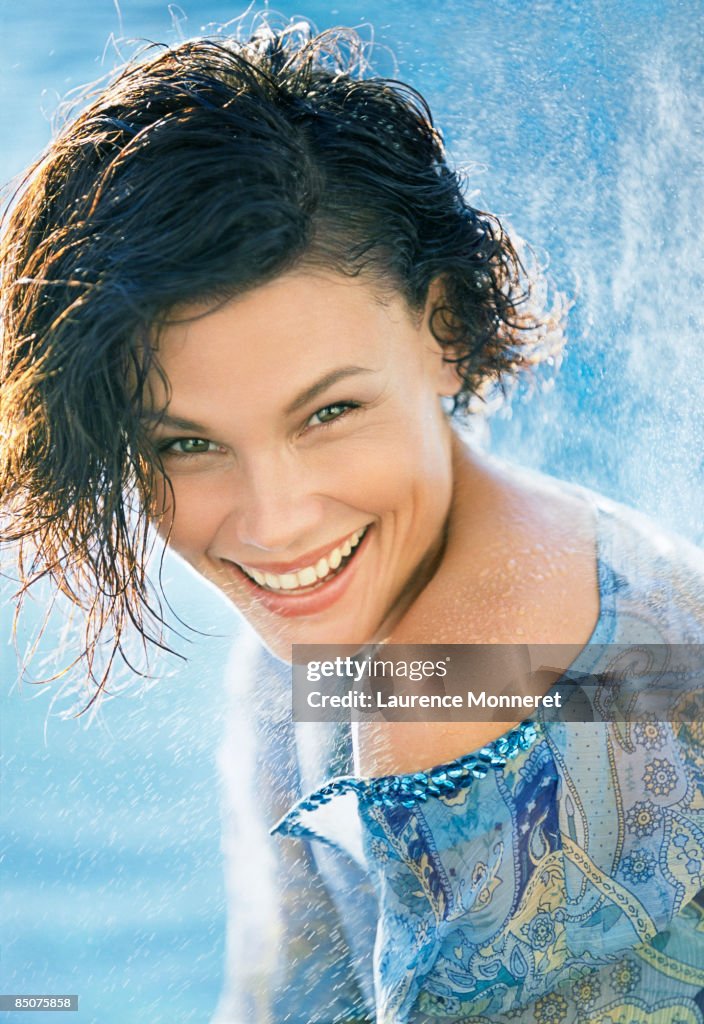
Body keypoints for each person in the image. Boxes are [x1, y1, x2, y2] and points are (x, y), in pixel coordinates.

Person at [2, 21, 704, 1024]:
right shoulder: (324, 634)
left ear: (445, 328)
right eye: (187, 444)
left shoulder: (461, 688)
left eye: (327, 412)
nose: (277, 522)